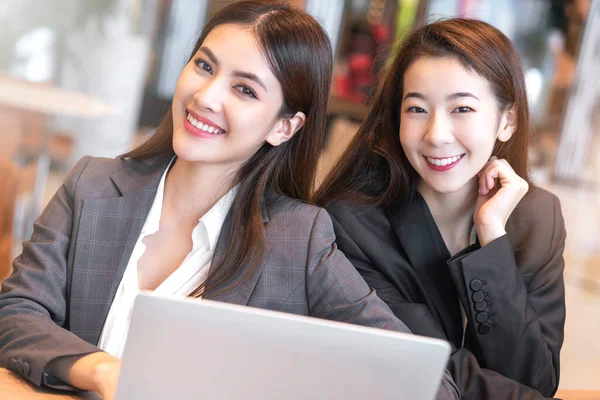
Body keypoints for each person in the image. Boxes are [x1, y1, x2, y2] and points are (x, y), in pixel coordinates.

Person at [0, 2, 459, 399]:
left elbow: (429, 385)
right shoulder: (92, 186)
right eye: (204, 65)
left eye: (244, 89)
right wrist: (102, 371)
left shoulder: (297, 240)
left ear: (285, 127)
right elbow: (16, 313)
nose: (205, 96)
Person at [315, 18, 566, 400]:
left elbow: (535, 380)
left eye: (461, 108)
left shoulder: (538, 217)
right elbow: (427, 368)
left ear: (507, 121)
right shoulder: (354, 222)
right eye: (416, 110)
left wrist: (491, 236)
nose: (436, 135)